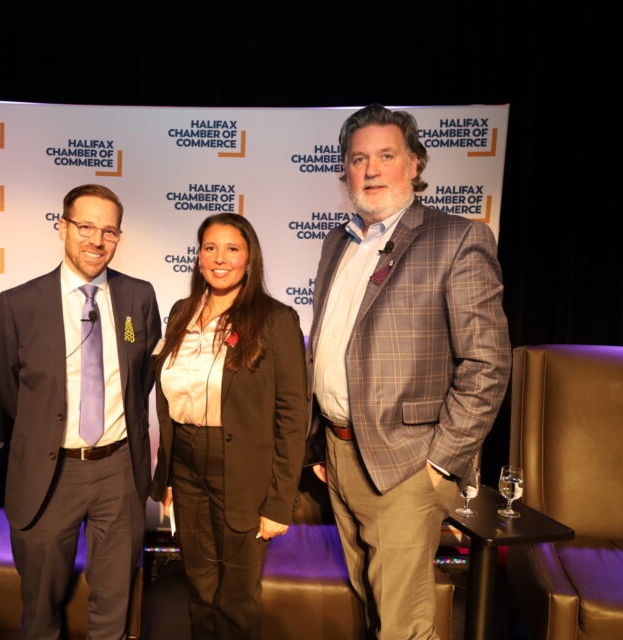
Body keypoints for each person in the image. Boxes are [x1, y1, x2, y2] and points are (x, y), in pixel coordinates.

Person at [306, 105, 511, 639]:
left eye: (386, 156)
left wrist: (439, 464)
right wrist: (321, 447)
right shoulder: (337, 242)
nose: (371, 170)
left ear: (415, 164)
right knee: (371, 609)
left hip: (407, 467)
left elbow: (487, 364)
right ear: (345, 171)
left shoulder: (457, 239)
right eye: (358, 159)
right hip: (339, 455)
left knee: (404, 626)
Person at [0, 184, 160, 640]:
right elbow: (8, 391)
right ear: (62, 226)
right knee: (41, 607)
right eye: (85, 227)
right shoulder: (16, 305)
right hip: (48, 473)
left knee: (114, 606)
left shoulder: (139, 298)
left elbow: (141, 377)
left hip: (119, 470)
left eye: (109, 231)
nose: (96, 241)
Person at [151, 213, 308, 640]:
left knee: (238, 597)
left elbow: (294, 415)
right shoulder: (181, 313)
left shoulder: (276, 320)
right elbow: (169, 404)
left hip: (242, 470)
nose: (220, 259)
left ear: (249, 258)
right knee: (199, 587)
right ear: (198, 256)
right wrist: (165, 475)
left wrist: (279, 502)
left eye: (232, 249)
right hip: (185, 465)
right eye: (210, 248)